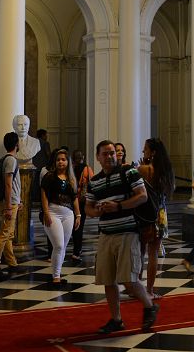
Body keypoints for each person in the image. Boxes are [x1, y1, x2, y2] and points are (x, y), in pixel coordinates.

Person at [85, 140, 158, 334]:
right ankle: (116, 319)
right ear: (98, 157)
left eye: (112, 153)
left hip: (128, 232)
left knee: (129, 279)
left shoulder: (129, 173)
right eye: (105, 154)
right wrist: (97, 211)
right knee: (108, 280)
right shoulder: (95, 181)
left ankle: (150, 306)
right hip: (106, 234)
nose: (110, 156)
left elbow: (142, 196)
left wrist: (118, 206)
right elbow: (88, 207)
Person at [138, 138, 174, 300]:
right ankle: (150, 290)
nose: (143, 151)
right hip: (160, 214)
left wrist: (143, 164)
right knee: (154, 254)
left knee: (140, 252)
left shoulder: (144, 169)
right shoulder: (166, 170)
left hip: (145, 214)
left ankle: (137, 286)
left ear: (152, 152)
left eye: (145, 149)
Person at [41, 148, 81, 283]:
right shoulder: (50, 176)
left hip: (68, 214)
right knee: (58, 245)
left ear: (68, 162)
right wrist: (46, 212)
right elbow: (44, 195)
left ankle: (57, 274)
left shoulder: (71, 178)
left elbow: (74, 198)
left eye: (63, 159)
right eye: (58, 160)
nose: (60, 162)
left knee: (63, 246)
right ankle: (56, 277)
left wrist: (78, 215)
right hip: (53, 212)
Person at [0, 131, 23, 279]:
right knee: (4, 234)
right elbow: (8, 185)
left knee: (8, 234)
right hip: (10, 202)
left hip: (13, 201)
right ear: (16, 144)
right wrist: (9, 206)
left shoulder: (8, 159)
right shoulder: (11, 160)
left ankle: (12, 263)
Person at [70, 149, 93, 264]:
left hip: (72, 200)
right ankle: (77, 250)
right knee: (80, 225)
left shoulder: (70, 169)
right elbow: (91, 184)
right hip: (82, 201)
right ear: (83, 158)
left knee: (74, 225)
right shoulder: (87, 169)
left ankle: (75, 249)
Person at [31, 129, 51, 204]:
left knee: (35, 182)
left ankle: (34, 198)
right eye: (46, 135)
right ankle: (40, 198)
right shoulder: (45, 143)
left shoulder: (34, 143)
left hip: (34, 165)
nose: (47, 136)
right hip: (43, 166)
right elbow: (48, 154)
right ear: (43, 135)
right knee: (42, 183)